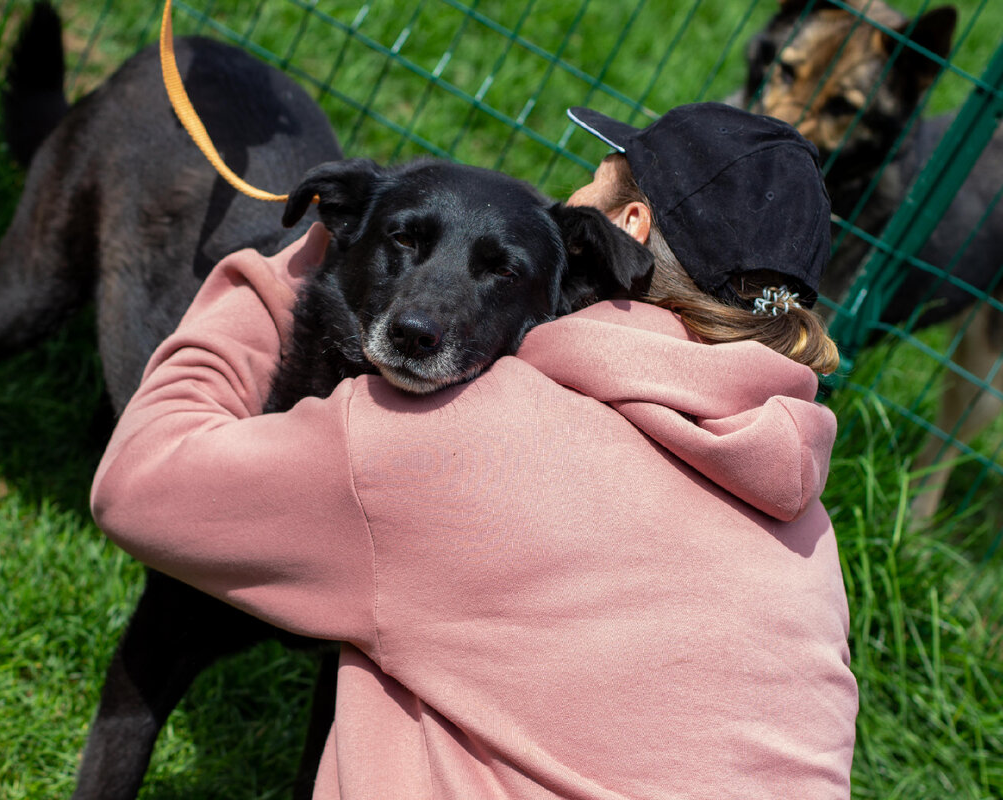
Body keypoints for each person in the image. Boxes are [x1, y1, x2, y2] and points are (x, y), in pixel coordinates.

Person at [91, 102, 858, 799]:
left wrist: (279, 275)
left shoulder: (468, 440)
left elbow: (139, 486)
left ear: (621, 229)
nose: (563, 202)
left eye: (588, 186)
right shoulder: (808, 548)